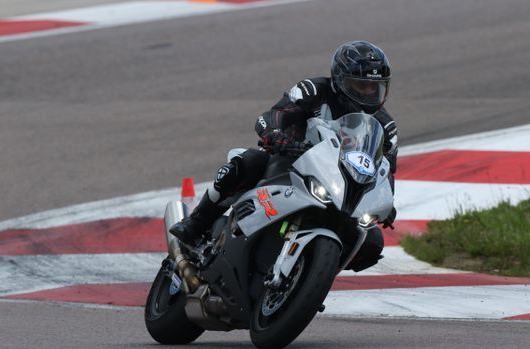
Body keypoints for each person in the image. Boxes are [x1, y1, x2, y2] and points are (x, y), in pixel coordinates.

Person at [170, 40, 398, 270]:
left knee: (372, 241)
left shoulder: (385, 126)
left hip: (339, 183)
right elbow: (272, 115)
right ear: (340, 80)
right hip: (291, 161)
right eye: (361, 85)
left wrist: (385, 201)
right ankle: (196, 223)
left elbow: (386, 170)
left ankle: (314, 270)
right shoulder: (313, 90)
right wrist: (276, 135)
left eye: (375, 88)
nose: (368, 93)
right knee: (248, 162)